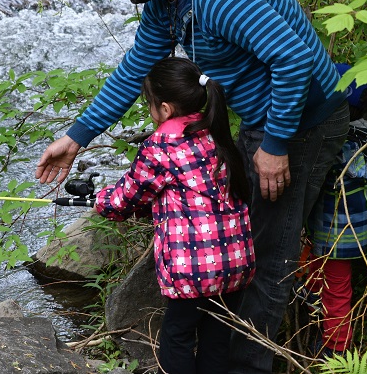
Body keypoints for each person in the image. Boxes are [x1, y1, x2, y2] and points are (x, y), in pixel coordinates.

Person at [35, 0, 350, 374]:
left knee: (265, 259)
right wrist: (75, 138)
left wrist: (277, 145)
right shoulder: (169, 0)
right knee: (245, 247)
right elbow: (136, 69)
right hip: (267, 122)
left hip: (303, 122)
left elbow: (292, 59)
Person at [95, 57, 255, 374]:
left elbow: (121, 202)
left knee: (176, 338)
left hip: (194, 270)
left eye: (150, 105)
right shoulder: (215, 132)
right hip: (236, 262)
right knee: (216, 338)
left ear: (165, 109)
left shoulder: (160, 146)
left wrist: (98, 198)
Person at [298, 66, 367, 357]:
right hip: (357, 234)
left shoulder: (336, 147)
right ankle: (323, 321)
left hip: (336, 236)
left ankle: (337, 350)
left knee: (336, 290)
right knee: (330, 282)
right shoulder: (366, 143)